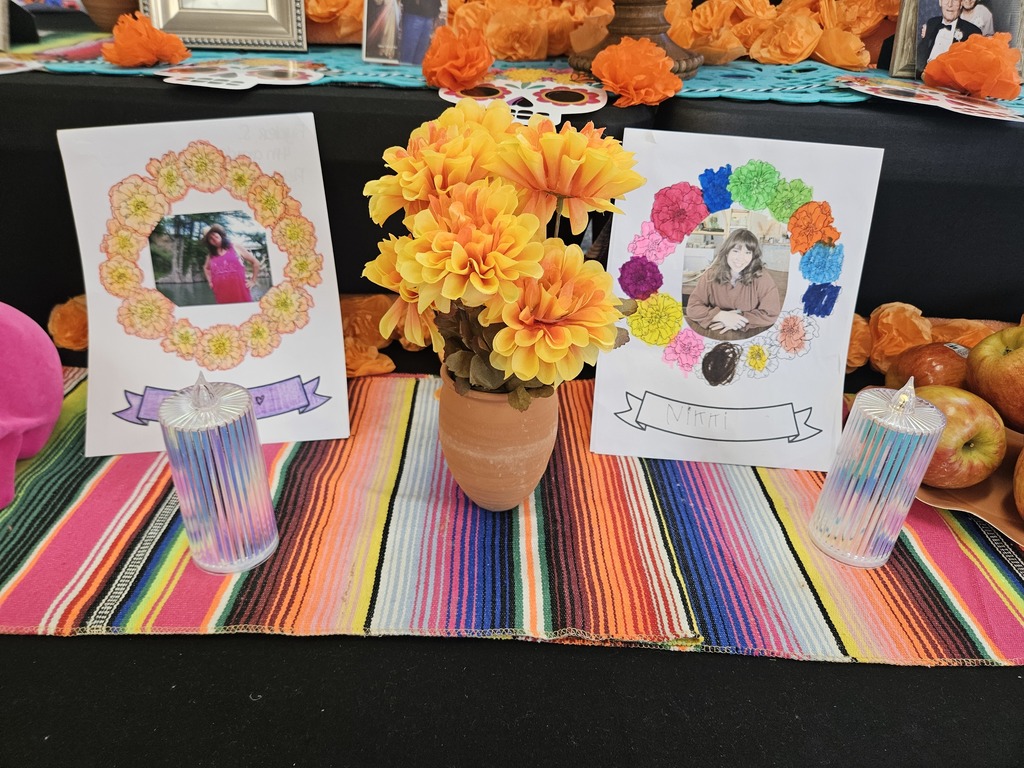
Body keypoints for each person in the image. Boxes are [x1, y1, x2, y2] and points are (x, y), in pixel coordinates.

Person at [685, 228, 781, 337]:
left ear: (753, 256)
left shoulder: (762, 277)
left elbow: (771, 313)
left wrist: (737, 319)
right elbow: (692, 308)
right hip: (715, 334)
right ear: (727, 252)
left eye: (747, 252)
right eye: (736, 251)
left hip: (748, 335)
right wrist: (720, 316)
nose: (741, 258)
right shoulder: (710, 275)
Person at [201, 224, 262, 304]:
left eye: (213, 234)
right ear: (209, 243)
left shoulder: (235, 247)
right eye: (210, 238)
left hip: (241, 294)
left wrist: (253, 280)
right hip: (221, 296)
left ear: (219, 233)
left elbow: (255, 262)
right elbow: (206, 268)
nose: (213, 238)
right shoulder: (211, 256)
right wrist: (210, 282)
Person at [918, 0, 983, 68]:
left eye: (955, 0)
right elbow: (920, 55)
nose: (950, 4)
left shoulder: (972, 32)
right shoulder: (932, 22)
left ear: (961, 4)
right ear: (940, 2)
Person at [398, 0, 441, 65]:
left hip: (429, 17)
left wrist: (436, 14)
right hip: (413, 14)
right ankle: (405, 70)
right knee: (407, 56)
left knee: (420, 57)